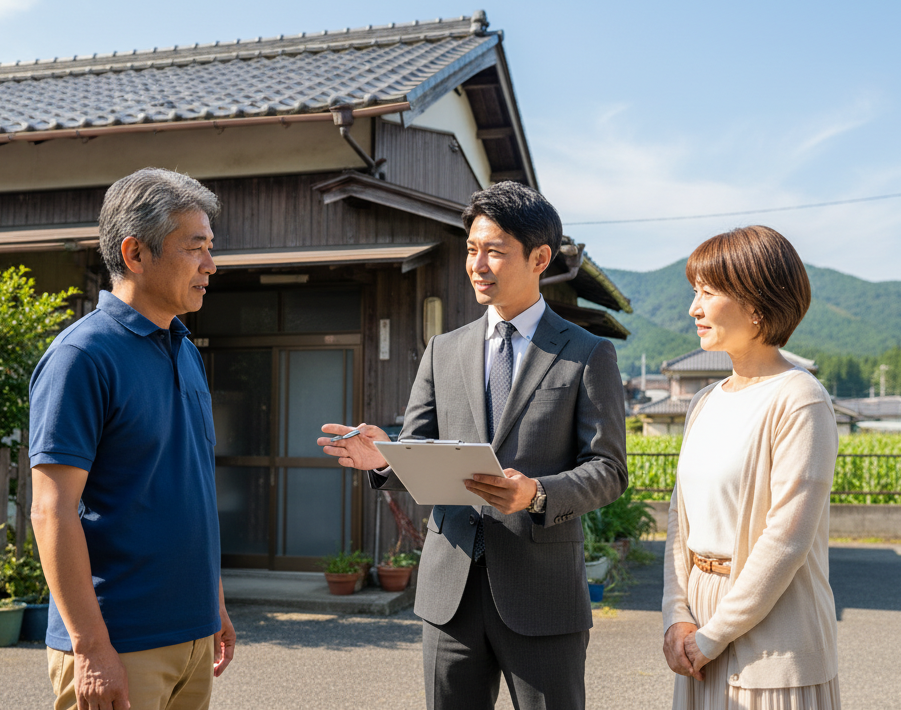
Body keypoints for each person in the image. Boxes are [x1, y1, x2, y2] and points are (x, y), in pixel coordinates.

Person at [319, 182, 628, 710]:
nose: (477, 264)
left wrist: (536, 493)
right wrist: (384, 456)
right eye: (471, 249)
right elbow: (417, 445)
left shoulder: (586, 352)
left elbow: (608, 468)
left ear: (540, 258)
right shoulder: (444, 349)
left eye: (494, 251)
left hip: (542, 594)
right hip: (450, 592)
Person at [30, 168, 236, 710]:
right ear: (135, 253)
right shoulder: (82, 357)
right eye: (196, 249)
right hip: (119, 642)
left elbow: (188, 486)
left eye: (210, 248)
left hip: (192, 635)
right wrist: (92, 648)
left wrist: (212, 603)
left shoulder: (184, 348)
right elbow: (52, 510)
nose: (210, 266)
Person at [660, 225, 840, 709]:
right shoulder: (703, 401)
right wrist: (677, 616)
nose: (693, 308)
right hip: (700, 621)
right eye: (694, 292)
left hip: (775, 632)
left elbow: (786, 539)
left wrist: (713, 635)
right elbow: (681, 520)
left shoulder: (800, 399)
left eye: (708, 293)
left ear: (757, 306)